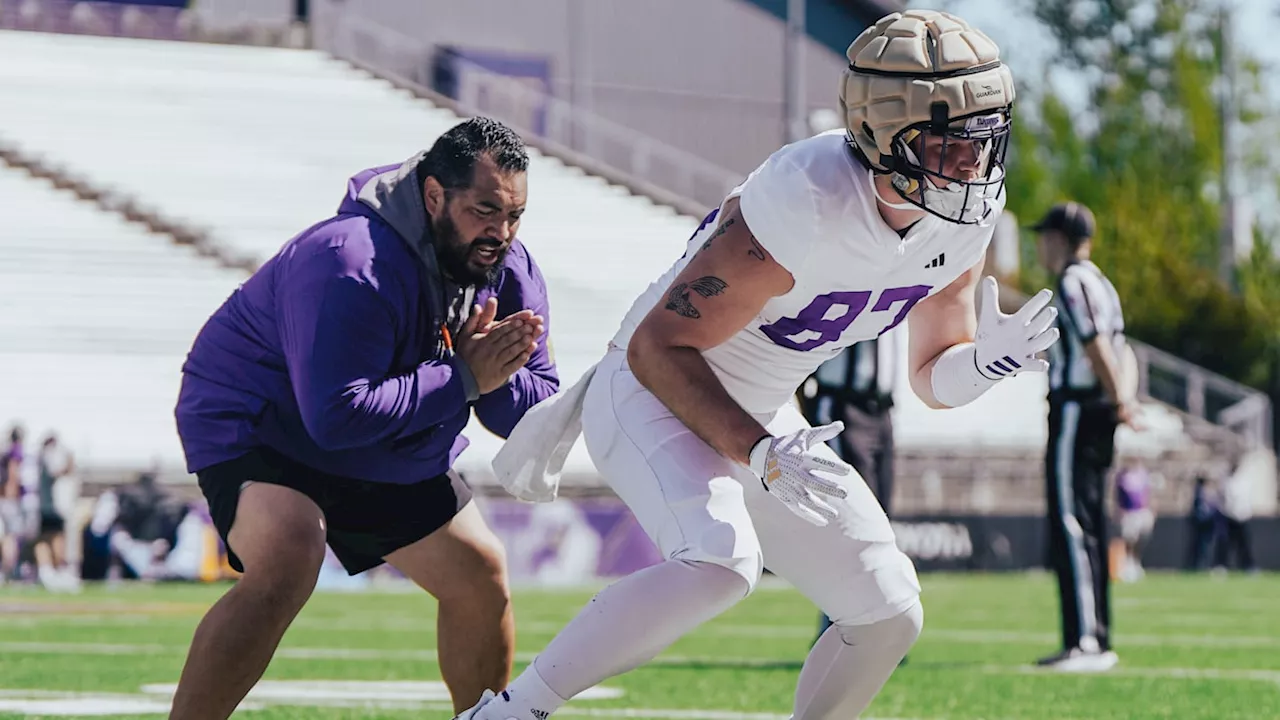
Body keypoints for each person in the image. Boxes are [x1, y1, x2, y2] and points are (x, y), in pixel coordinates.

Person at [467, 10, 1058, 720]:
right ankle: (507, 713)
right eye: (948, 144)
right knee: (720, 564)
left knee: (889, 610)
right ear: (883, 133)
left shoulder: (967, 213)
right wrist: (758, 450)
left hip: (769, 416)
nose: (973, 165)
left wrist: (986, 365)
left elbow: (933, 375)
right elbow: (660, 348)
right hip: (655, 391)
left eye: (983, 141)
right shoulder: (807, 196)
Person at [169, 117, 558, 720]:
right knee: (291, 552)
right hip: (265, 422)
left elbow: (532, 408)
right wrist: (464, 376)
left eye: (514, 215)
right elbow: (337, 416)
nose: (501, 232)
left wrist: (490, 376)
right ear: (434, 196)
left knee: (480, 577)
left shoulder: (510, 269)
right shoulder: (350, 257)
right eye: (485, 210)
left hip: (382, 434)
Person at [1034, 200, 1135, 672]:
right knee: (1092, 520)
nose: (1039, 245)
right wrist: (1122, 401)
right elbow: (1120, 346)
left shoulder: (1073, 282)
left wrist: (1120, 400)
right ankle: (1097, 636)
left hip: (1078, 408)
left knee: (1073, 522)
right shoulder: (1102, 282)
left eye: (1044, 236)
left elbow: (1095, 344)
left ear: (1059, 239)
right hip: (1098, 410)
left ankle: (1085, 642)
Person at [797, 334, 899, 642]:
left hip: (882, 411)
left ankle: (875, 623)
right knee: (852, 522)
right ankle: (840, 629)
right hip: (841, 406)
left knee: (879, 522)